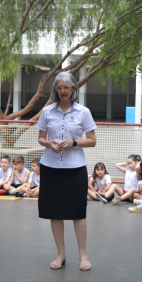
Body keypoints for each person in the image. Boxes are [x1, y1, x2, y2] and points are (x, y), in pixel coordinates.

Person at [37, 71, 96, 271]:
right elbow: (41, 138)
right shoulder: (47, 111)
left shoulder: (83, 112)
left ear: (73, 89)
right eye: (59, 87)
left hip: (75, 168)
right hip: (50, 167)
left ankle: (83, 255)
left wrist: (75, 142)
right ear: (55, 89)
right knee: (55, 213)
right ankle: (60, 254)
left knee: (78, 213)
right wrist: (49, 144)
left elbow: (92, 140)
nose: (63, 91)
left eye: (66, 87)